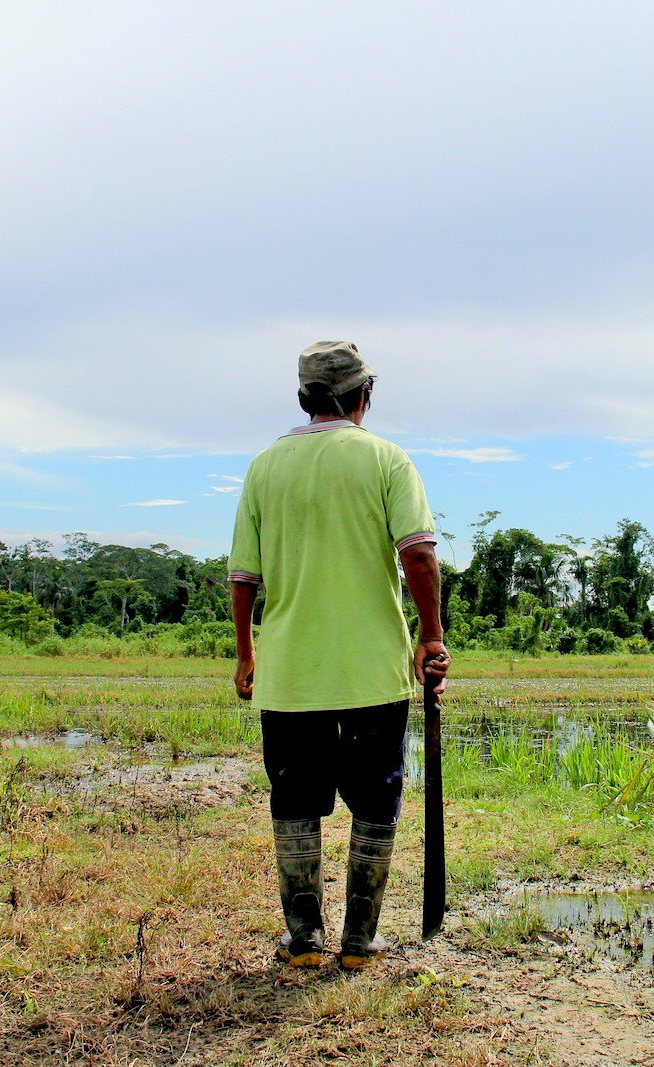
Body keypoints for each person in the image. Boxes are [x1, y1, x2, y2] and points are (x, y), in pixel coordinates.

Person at [228, 340, 450, 971]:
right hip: (372, 674)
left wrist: (248, 655)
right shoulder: (387, 460)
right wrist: (429, 637)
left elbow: (244, 576)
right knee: (377, 801)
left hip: (290, 675)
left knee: (295, 802)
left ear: (303, 397)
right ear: (364, 395)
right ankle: (358, 944)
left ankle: (303, 940)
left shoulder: (265, 468)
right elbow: (419, 556)